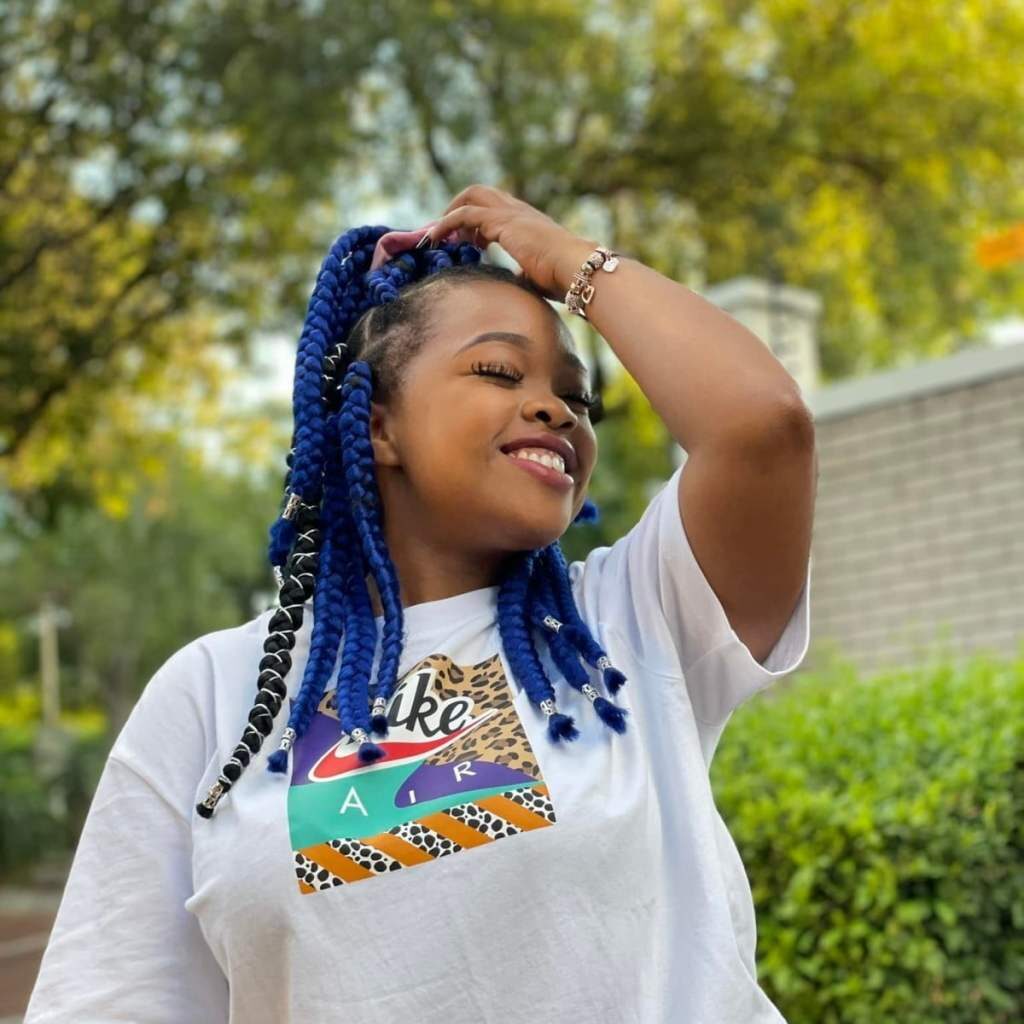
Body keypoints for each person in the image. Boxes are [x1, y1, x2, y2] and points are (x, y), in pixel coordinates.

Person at [24, 185, 815, 1023]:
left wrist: (569, 260)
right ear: (377, 426)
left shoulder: (631, 619)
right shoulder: (215, 692)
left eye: (577, 398)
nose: (555, 409)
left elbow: (762, 425)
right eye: (499, 371)